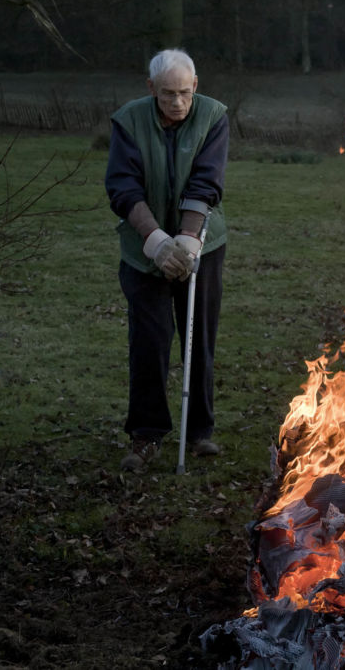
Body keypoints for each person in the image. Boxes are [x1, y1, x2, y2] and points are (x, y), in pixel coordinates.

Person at [105, 49, 229, 471]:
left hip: (202, 244)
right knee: (149, 340)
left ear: (196, 86)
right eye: (167, 95)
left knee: (199, 335)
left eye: (184, 93)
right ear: (150, 89)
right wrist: (156, 241)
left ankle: (200, 431)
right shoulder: (128, 121)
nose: (177, 103)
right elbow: (123, 187)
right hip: (144, 249)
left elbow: (207, 179)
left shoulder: (213, 116)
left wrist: (188, 239)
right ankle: (146, 435)